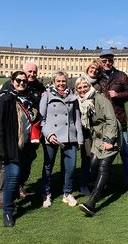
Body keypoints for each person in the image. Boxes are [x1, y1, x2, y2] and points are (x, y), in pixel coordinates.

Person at [0, 71, 39, 227]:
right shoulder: (4, 99)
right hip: (10, 146)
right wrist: (0, 151)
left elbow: (34, 119)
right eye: (18, 80)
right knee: (13, 176)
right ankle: (7, 211)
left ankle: (10, 201)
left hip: (26, 144)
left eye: (24, 81)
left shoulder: (28, 99)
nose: (21, 83)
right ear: (12, 81)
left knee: (21, 175)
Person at [0, 62, 45, 209]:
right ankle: (4, 197)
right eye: (29, 72)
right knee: (8, 165)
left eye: (34, 72)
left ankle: (20, 187)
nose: (31, 75)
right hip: (12, 135)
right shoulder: (8, 87)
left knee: (27, 162)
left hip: (31, 134)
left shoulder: (38, 86)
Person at [75, 77, 122, 216]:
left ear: (90, 86)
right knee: (93, 165)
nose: (83, 89)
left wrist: (110, 140)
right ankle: (105, 185)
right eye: (80, 87)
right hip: (97, 138)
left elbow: (111, 120)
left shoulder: (101, 99)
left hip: (110, 136)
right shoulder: (83, 102)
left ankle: (92, 202)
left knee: (103, 166)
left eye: (85, 86)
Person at [98, 50, 128, 194]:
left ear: (113, 61)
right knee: (104, 154)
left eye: (109, 60)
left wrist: (118, 95)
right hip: (102, 122)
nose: (107, 63)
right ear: (100, 62)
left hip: (119, 119)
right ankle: (104, 182)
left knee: (125, 152)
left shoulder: (121, 76)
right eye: (104, 61)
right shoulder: (97, 77)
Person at [39, 71, 83, 208]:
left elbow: (77, 120)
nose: (61, 84)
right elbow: (41, 119)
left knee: (70, 167)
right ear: (53, 82)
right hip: (52, 135)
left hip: (69, 136)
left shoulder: (72, 96)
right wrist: (48, 134)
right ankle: (46, 194)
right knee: (48, 166)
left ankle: (67, 193)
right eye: (58, 81)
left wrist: (79, 139)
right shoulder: (46, 95)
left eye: (63, 81)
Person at [79, 60, 103, 196]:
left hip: (97, 127)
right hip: (83, 127)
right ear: (88, 68)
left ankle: (95, 183)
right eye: (92, 68)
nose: (94, 70)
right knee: (86, 157)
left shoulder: (99, 86)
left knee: (97, 156)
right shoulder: (78, 82)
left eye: (97, 69)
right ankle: (83, 183)